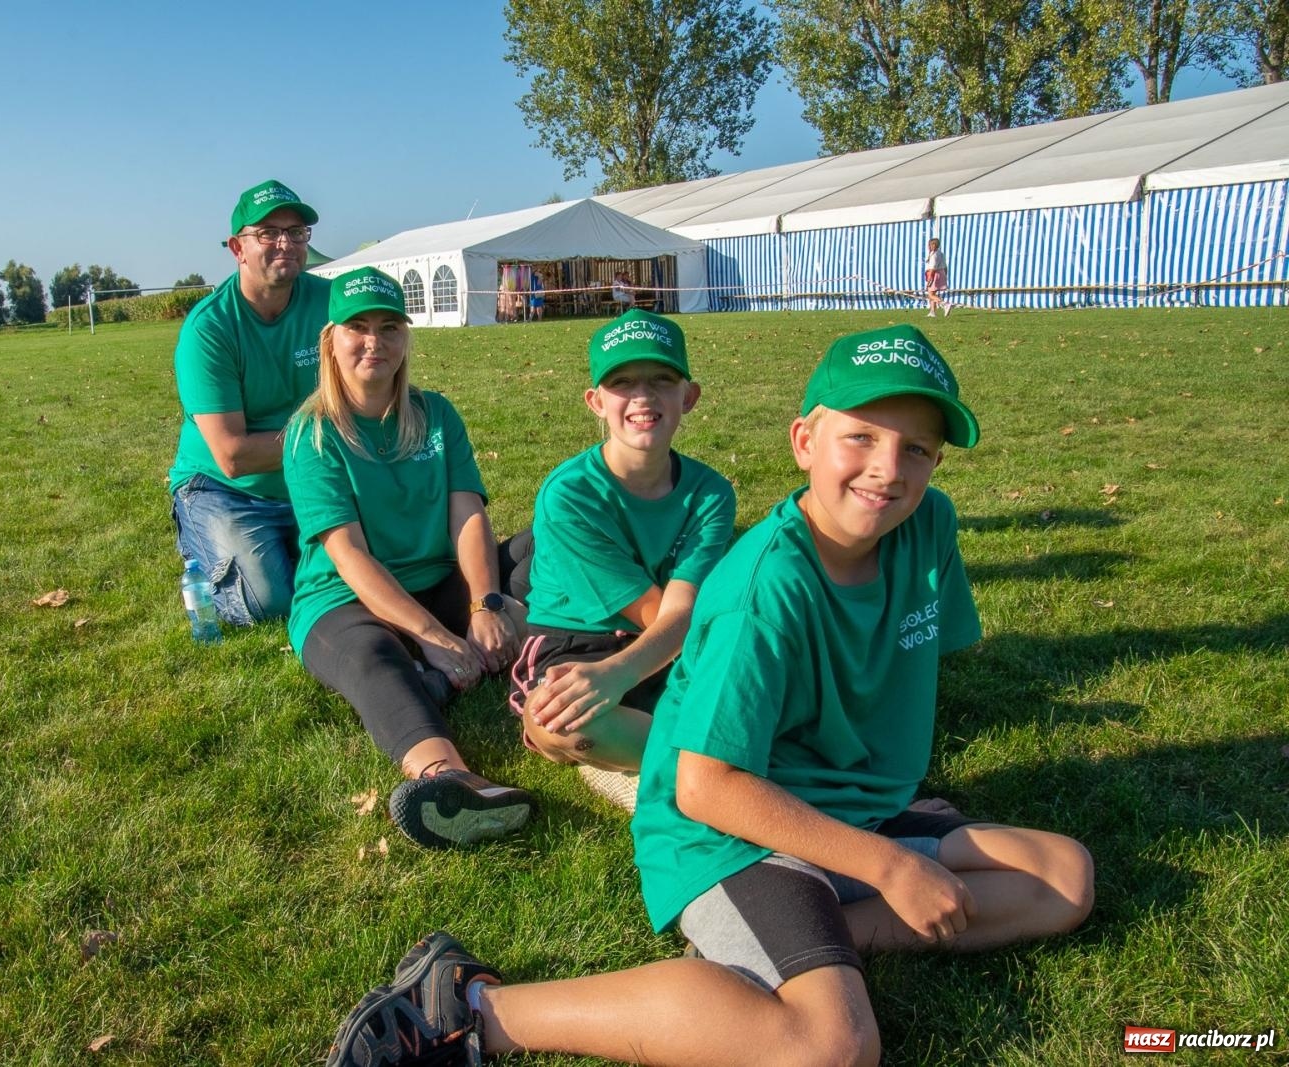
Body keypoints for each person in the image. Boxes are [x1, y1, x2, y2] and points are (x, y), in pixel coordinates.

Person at [324, 324, 1095, 1067]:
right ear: (804, 441)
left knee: (1064, 879)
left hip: (856, 803)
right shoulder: (765, 587)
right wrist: (891, 869)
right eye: (861, 436)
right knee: (833, 1047)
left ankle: (802, 939)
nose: (889, 468)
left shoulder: (929, 524)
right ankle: (473, 1008)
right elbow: (703, 785)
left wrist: (877, 839)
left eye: (917, 447)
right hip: (739, 826)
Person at [284, 267, 533, 850]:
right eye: (359, 327)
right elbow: (347, 556)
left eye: (390, 326)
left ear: (406, 336)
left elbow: (467, 513)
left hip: (439, 581)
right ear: (331, 341)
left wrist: (485, 603)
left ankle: (565, 651)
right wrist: (431, 635)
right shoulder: (311, 434)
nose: (375, 341)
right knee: (374, 657)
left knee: (542, 545)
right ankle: (449, 785)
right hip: (344, 601)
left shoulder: (434, 414)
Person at [510, 309, 734, 812]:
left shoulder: (710, 492)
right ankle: (725, 772)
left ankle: (664, 758)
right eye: (623, 382)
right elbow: (656, 614)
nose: (643, 397)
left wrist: (621, 676)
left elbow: (676, 615)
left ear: (689, 397)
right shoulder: (569, 494)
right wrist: (608, 675)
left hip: (666, 634)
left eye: (662, 379)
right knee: (556, 721)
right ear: (596, 402)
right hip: (577, 639)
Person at [169, 179, 331, 626]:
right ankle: (199, 537)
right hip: (226, 489)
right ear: (237, 248)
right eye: (268, 233)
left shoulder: (329, 303)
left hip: (307, 478)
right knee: (267, 604)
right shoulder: (210, 329)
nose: (286, 243)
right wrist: (332, 437)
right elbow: (233, 456)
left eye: (296, 232)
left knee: (372, 570)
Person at [925, 236, 950, 317]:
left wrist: (929, 278)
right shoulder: (941, 253)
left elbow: (933, 267)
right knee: (932, 292)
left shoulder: (934, 255)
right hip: (941, 273)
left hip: (934, 274)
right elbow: (945, 266)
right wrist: (945, 276)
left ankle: (945, 304)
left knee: (930, 294)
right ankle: (932, 312)